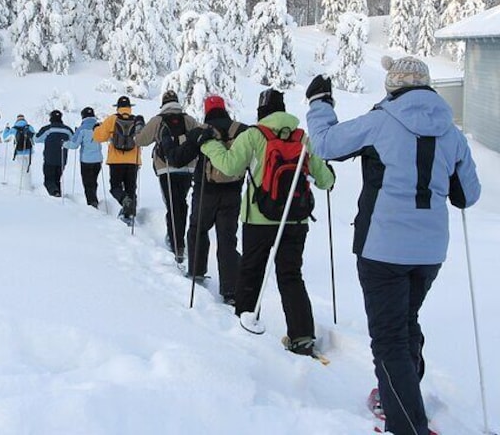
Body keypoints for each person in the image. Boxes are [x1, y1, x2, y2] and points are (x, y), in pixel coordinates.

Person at [305, 56, 480, 435]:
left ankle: (407, 426)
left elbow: (323, 144)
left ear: (392, 87)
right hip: (430, 251)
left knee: (388, 339)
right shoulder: (450, 131)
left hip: (382, 248)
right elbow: (468, 196)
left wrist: (320, 104)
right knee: (405, 323)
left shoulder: (381, 120)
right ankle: (397, 396)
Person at [199, 88, 334, 355]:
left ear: (261, 112)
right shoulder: (302, 137)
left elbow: (229, 165)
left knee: (252, 270)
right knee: (291, 275)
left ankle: (245, 324)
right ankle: (302, 336)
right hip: (296, 220)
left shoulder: (254, 135)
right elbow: (325, 180)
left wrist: (207, 145)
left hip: (259, 219)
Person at [162, 95, 245, 304]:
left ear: (206, 110)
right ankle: (230, 290)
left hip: (205, 191)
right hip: (233, 192)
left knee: (198, 229)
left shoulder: (201, 133)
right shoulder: (241, 130)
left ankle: (197, 272)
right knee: (227, 239)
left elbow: (179, 159)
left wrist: (168, 147)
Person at [134, 90, 199, 263]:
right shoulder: (189, 120)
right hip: (187, 169)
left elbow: (140, 141)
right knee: (181, 202)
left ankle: (175, 242)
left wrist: (139, 126)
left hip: (166, 169)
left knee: (172, 205)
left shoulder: (158, 120)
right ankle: (180, 241)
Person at [93, 96, 144, 225]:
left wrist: (96, 128)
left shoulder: (112, 119)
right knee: (131, 188)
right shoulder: (137, 121)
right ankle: (129, 214)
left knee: (115, 187)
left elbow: (99, 137)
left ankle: (124, 202)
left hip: (116, 161)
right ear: (130, 108)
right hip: (133, 161)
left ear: (118, 107)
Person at [64, 107, 104, 208]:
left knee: (87, 183)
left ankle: (92, 203)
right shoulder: (99, 127)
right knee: (94, 181)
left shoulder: (82, 129)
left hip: (86, 160)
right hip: (98, 160)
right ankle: (94, 199)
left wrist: (64, 144)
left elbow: (74, 145)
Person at [34, 110, 74, 197]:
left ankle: (54, 194)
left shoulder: (48, 129)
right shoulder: (67, 130)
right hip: (62, 159)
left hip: (49, 159)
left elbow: (37, 139)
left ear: (51, 118)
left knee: (49, 180)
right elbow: (73, 141)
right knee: (57, 179)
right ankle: (58, 194)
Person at [1, 114, 36, 190]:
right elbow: (34, 137)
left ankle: (24, 186)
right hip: (29, 152)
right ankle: (29, 185)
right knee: (28, 167)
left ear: (17, 120)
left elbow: (5, 137)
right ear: (24, 120)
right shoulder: (29, 127)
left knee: (21, 169)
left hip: (19, 152)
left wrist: (6, 129)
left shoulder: (14, 129)